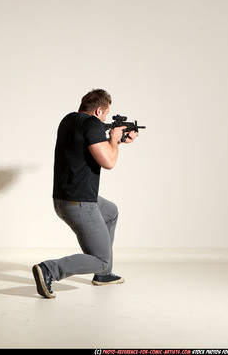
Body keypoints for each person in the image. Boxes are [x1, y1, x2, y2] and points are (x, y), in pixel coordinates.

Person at [32, 89, 139, 298]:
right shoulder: (92, 124)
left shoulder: (68, 119)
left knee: (110, 211)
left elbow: (91, 148)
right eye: (106, 114)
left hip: (64, 199)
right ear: (99, 110)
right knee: (100, 260)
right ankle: (49, 270)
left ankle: (104, 276)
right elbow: (108, 162)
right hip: (80, 204)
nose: (106, 119)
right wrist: (114, 139)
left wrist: (116, 141)